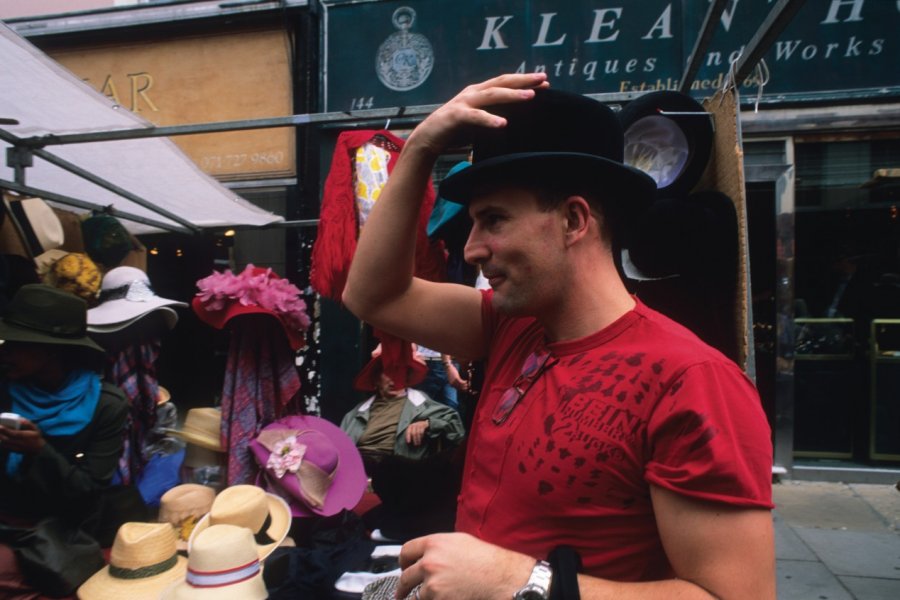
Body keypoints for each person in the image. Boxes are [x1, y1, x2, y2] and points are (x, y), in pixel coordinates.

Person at [341, 73, 775, 599]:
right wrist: (419, 149)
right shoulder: (512, 327)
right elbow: (372, 298)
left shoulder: (692, 382)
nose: (473, 249)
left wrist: (524, 583)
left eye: (493, 220)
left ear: (573, 220)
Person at [0, 284, 129, 597]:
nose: (5, 352)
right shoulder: (4, 390)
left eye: (17, 344)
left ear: (52, 350)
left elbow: (89, 491)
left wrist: (40, 452)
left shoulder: (106, 405)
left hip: (64, 534)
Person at [341, 350, 465, 469]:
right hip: (357, 469)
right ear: (376, 379)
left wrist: (429, 423)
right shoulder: (355, 414)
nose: (395, 379)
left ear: (407, 376)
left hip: (398, 472)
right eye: (389, 373)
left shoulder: (423, 404)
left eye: (399, 372)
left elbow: (457, 432)